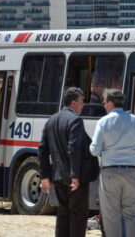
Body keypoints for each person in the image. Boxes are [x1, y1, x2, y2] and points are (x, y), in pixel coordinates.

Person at [90, 89, 135, 237]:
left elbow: (94, 150)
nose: (104, 105)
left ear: (111, 103)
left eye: (104, 102)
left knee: (111, 216)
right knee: (132, 215)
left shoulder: (103, 122)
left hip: (110, 173)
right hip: (132, 172)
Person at [38, 87, 100, 237]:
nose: (83, 104)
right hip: (75, 178)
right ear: (73, 102)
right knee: (78, 215)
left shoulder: (51, 120)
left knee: (63, 213)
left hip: (58, 176)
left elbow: (42, 149)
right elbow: (74, 148)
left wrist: (45, 176)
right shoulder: (75, 120)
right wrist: (75, 175)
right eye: (81, 101)